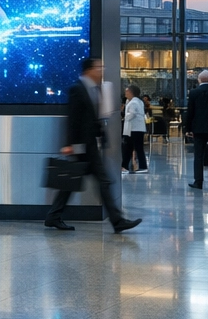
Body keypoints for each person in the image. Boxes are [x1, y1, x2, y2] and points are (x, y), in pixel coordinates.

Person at [45, 57, 141, 234]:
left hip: (89, 145)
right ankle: (117, 221)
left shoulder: (94, 89)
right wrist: (68, 144)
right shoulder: (77, 89)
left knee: (72, 181)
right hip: (82, 146)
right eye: (99, 67)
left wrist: (101, 135)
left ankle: (53, 216)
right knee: (96, 181)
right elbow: (72, 118)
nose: (102, 70)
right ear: (88, 70)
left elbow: (93, 118)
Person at [122, 85, 148, 172]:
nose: (125, 93)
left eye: (127, 91)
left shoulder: (134, 102)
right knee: (133, 148)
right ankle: (125, 166)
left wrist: (124, 117)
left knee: (133, 148)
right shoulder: (137, 101)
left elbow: (132, 114)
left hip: (134, 129)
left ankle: (141, 167)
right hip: (136, 128)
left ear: (131, 92)